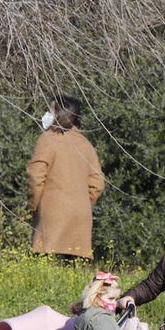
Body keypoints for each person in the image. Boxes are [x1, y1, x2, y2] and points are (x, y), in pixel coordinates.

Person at [26, 95, 105, 261]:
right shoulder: (86, 144)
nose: (47, 114)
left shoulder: (48, 139)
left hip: (52, 215)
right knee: (73, 270)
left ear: (60, 113)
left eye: (51, 110)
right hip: (81, 217)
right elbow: (98, 183)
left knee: (47, 269)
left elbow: (35, 177)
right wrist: (82, 202)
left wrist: (34, 205)